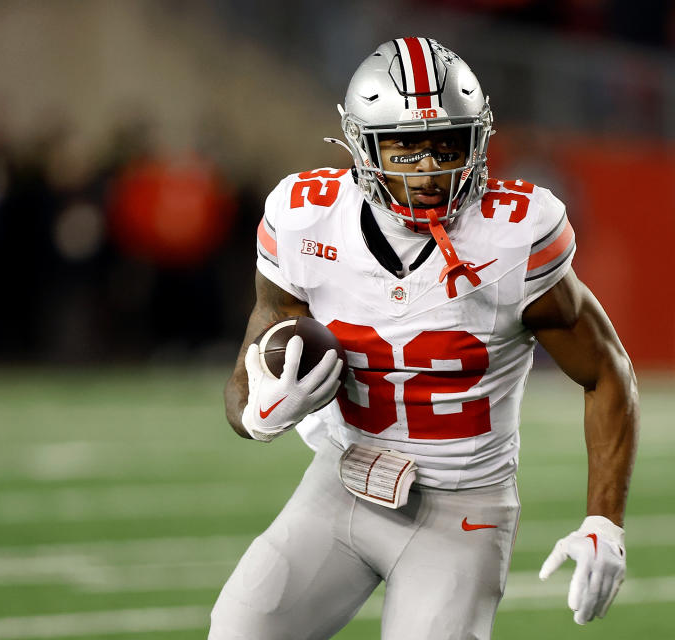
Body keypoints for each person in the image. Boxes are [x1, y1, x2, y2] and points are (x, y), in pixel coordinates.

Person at [210, 37, 638, 640]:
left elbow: (607, 371)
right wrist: (259, 412)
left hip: (463, 510)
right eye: (406, 149)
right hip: (340, 483)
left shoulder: (513, 235)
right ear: (362, 145)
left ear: (478, 140)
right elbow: (248, 366)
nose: (430, 169)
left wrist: (605, 523)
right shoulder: (306, 217)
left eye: (445, 146)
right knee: (238, 630)